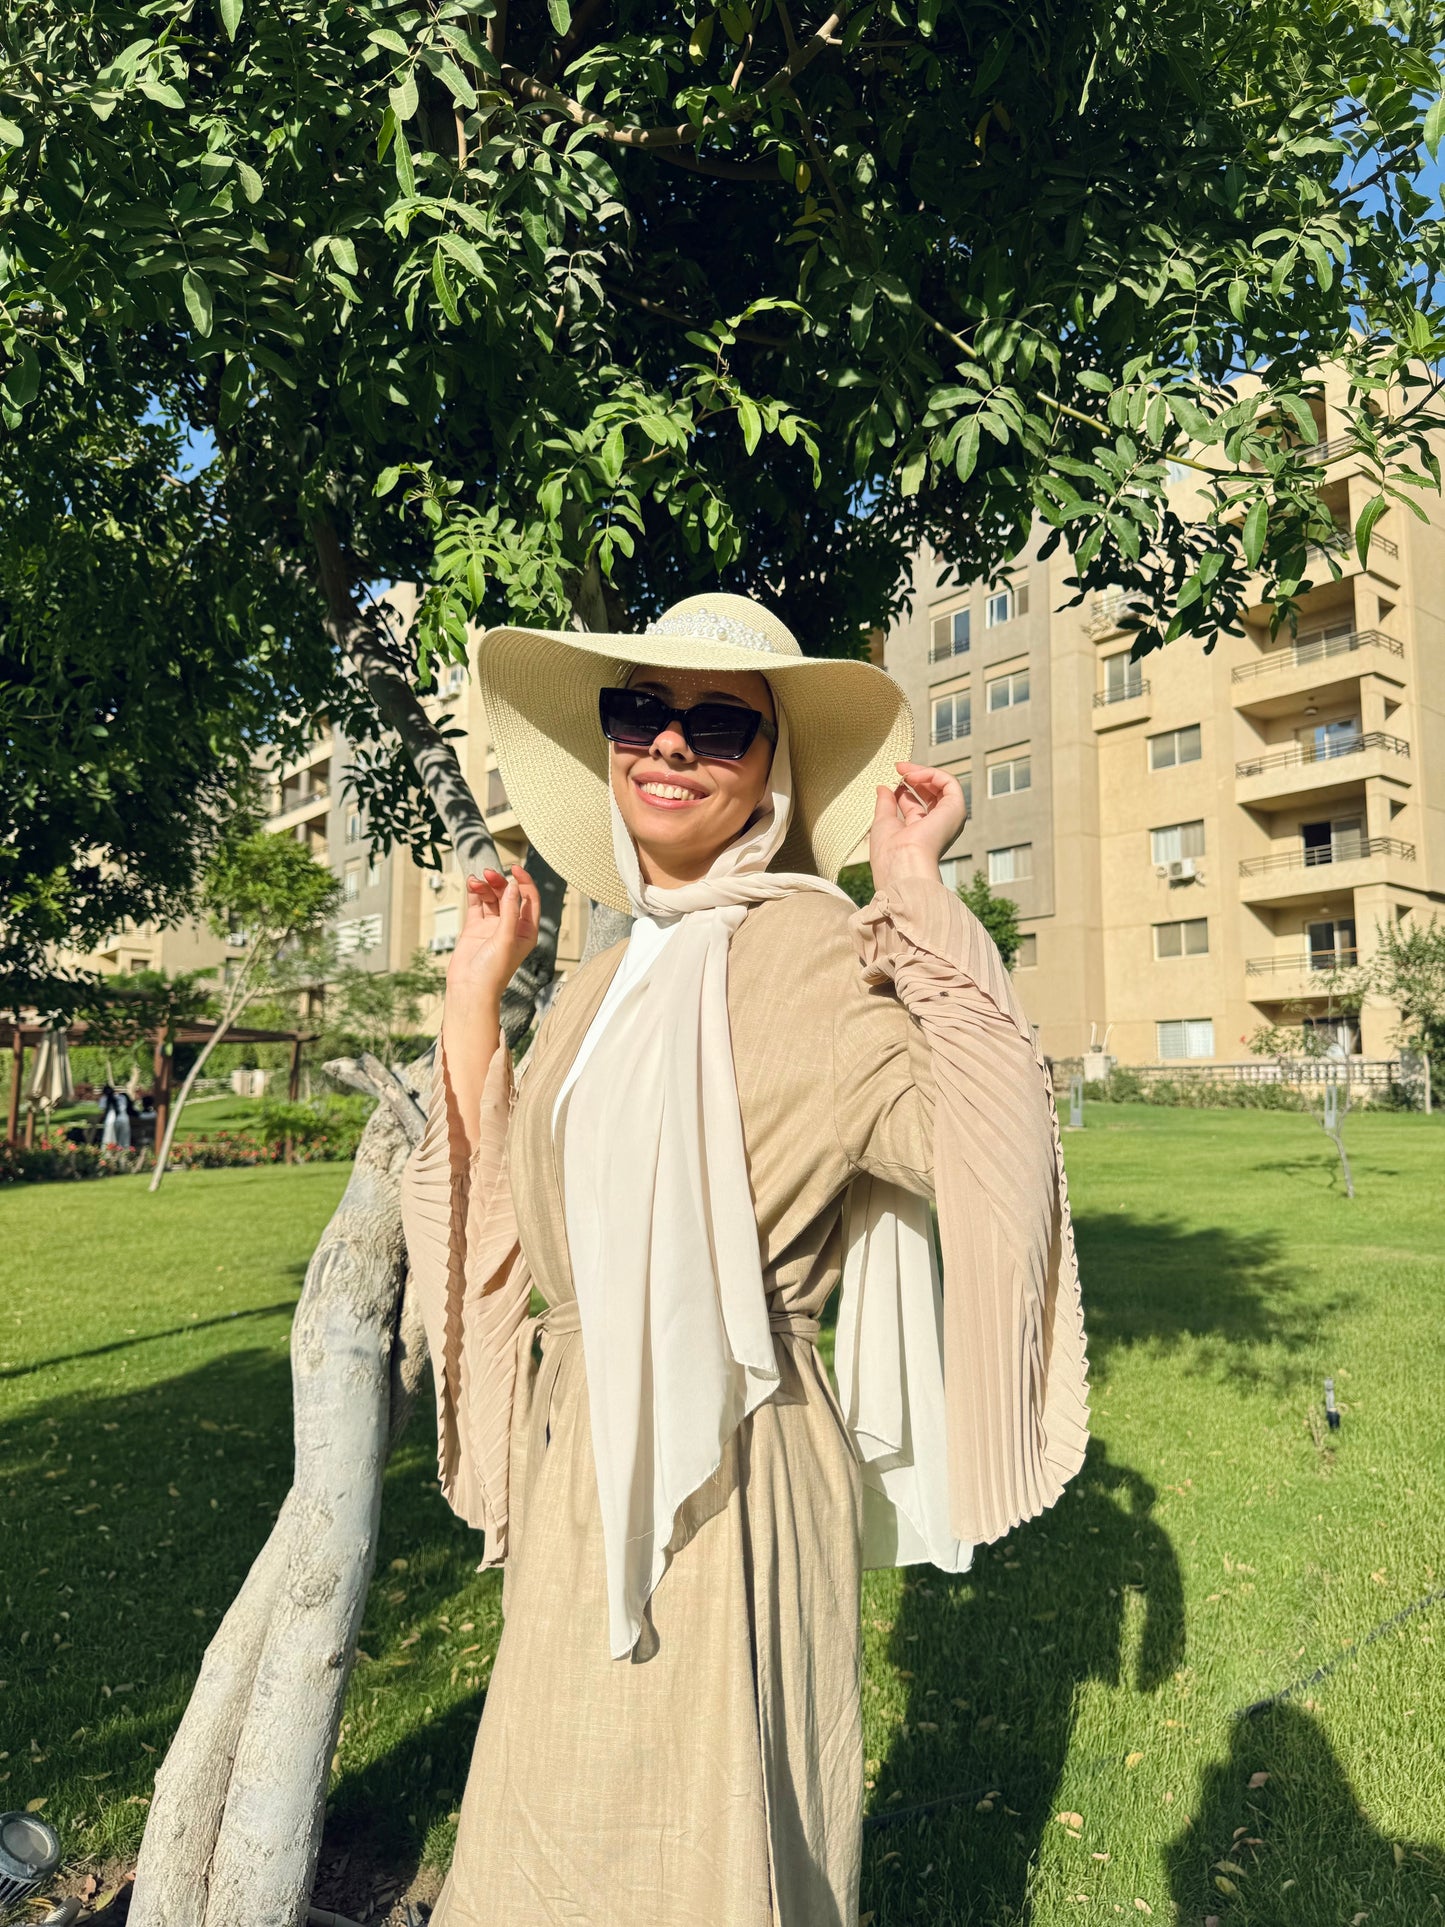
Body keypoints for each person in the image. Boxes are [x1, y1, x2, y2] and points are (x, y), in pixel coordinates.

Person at [400, 592, 1089, 1927]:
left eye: (717, 723)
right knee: (547, 1835)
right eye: (635, 711)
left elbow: (984, 1140)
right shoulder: (603, 980)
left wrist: (909, 893)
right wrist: (476, 994)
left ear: (771, 772)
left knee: (706, 1857)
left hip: (732, 1465)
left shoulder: (822, 954)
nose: (668, 746)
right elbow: (512, 1212)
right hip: (571, 1465)